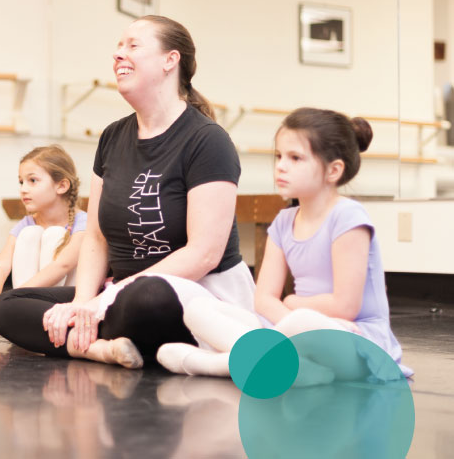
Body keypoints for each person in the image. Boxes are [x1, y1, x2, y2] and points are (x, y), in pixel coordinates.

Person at [0, 15, 254, 369]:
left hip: (190, 295)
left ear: (169, 61)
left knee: (147, 296)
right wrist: (84, 302)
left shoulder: (207, 140)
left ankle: (94, 339)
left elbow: (204, 254)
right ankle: (100, 348)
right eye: (117, 47)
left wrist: (107, 299)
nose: (118, 54)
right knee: (7, 305)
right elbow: (97, 237)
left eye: (132, 46)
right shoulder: (113, 137)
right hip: (119, 296)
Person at [157, 108, 413, 382]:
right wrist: (283, 319)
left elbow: (345, 306)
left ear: (334, 170)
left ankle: (217, 363)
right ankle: (291, 365)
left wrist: (292, 302)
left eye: (295, 158)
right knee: (198, 309)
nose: (281, 166)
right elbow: (264, 299)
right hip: (293, 329)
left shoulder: (348, 217)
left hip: (356, 339)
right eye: (279, 156)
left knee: (301, 322)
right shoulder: (283, 222)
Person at [0, 145, 87, 312]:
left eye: (32, 181)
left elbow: (63, 265)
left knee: (55, 234)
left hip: (66, 305)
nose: (23, 189)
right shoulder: (27, 223)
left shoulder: (83, 223)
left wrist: (15, 296)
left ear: (61, 186)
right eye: (21, 181)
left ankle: (28, 307)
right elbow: (2, 265)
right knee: (30, 233)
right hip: (29, 300)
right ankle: (25, 310)